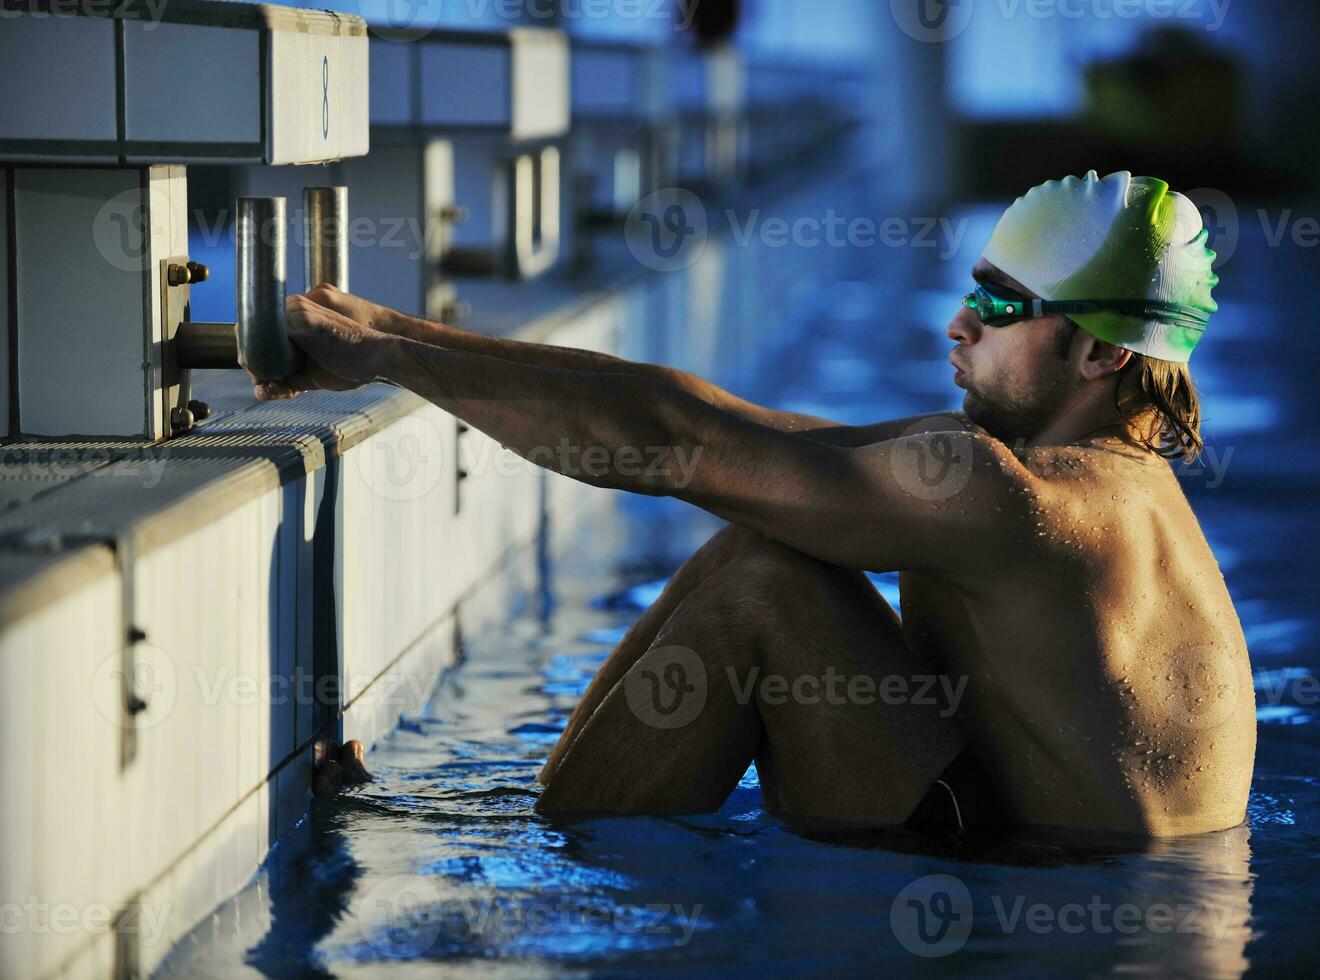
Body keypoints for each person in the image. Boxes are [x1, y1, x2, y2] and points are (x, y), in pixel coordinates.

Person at [263, 171, 1255, 839]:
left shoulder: (1025, 499)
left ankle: (542, 835)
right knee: (763, 522)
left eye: (1000, 307)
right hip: (1058, 870)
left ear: (1102, 353)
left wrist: (391, 360)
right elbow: (725, 429)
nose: (959, 324)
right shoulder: (1089, 484)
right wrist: (388, 328)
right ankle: (552, 806)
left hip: (1029, 909)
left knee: (765, 583)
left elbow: (669, 444)